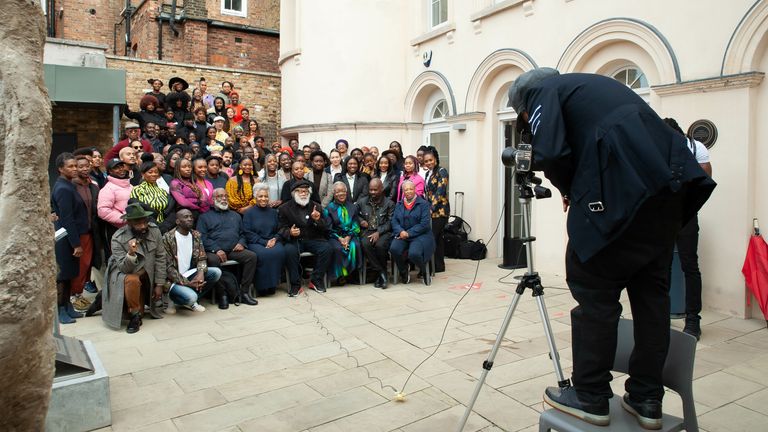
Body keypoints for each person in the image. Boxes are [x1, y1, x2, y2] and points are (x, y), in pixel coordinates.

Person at [506, 68, 715, 428]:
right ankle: (647, 398)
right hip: (669, 197)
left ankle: (590, 395)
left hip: (623, 194)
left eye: (524, 118)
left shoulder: (544, 91)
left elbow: (552, 151)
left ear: (525, 105)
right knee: (652, 298)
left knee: (592, 288)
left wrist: (568, 187)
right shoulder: (593, 88)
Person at [663, 118, 713, 341]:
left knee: (689, 266)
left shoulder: (696, 147)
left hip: (686, 215)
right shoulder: (657, 146)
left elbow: (705, 181)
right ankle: (659, 315)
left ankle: (693, 320)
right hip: (661, 215)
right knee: (660, 267)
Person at [101, 203, 167, 333]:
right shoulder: (118, 238)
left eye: (145, 222)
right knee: (132, 281)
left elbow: (160, 257)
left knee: (147, 304)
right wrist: (130, 254)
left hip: (147, 273)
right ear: (129, 223)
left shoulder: (154, 231)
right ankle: (134, 316)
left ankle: (101, 299)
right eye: (138, 224)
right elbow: (123, 268)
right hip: (126, 274)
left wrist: (159, 284)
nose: (143, 226)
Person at [197, 189, 259, 305]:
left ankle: (244, 292)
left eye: (226, 195)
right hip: (214, 251)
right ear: (213, 199)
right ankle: (222, 294)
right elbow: (202, 238)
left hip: (233, 249)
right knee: (212, 260)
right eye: (220, 196)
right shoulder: (204, 217)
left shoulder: (235, 216)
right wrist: (216, 249)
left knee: (251, 256)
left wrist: (241, 243)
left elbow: (243, 233)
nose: (224, 198)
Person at [51, 153, 88, 324]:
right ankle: (60, 310)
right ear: (60, 169)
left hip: (72, 235)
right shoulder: (63, 188)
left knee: (70, 274)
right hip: (66, 238)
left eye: (75, 166)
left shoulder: (68, 185)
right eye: (70, 166)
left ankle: (67, 306)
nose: (74, 169)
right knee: (63, 275)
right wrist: (76, 244)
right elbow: (67, 218)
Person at [278, 180, 331, 296]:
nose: (303, 194)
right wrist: (290, 232)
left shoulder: (316, 206)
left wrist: (317, 220)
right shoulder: (284, 208)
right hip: (295, 240)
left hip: (313, 238)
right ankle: (295, 284)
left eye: (306, 191)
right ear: (294, 193)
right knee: (289, 251)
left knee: (326, 248)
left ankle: (316, 280)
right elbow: (281, 228)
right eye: (300, 191)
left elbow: (325, 227)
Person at [163, 209, 222, 311]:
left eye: (191, 217)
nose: (190, 219)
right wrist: (188, 283)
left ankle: (190, 300)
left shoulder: (196, 235)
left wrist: (201, 273)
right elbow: (168, 268)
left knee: (216, 272)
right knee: (191, 297)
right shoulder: (168, 238)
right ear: (177, 221)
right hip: (173, 280)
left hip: (190, 273)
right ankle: (172, 299)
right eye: (185, 217)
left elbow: (202, 257)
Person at [390, 180, 435, 285]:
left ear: (415, 190)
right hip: (402, 235)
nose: (408, 191)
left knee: (414, 253)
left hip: (420, 235)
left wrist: (408, 233)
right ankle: (404, 271)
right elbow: (394, 221)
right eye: (406, 189)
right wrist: (401, 231)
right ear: (403, 191)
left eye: (411, 189)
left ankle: (424, 272)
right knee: (394, 249)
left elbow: (424, 224)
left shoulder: (423, 204)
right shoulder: (399, 204)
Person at [243, 184, 285, 296]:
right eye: (260, 196)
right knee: (264, 254)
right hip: (256, 242)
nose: (264, 199)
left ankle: (273, 284)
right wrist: (264, 242)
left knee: (279, 252)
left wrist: (275, 239)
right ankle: (261, 286)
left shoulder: (273, 212)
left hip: (273, 240)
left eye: (266, 196)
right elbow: (247, 232)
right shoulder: (248, 213)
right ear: (255, 197)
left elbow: (279, 229)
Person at [357, 178, 394, 288]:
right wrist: (361, 220)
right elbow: (355, 214)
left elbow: (391, 222)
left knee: (380, 246)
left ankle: (380, 275)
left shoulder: (389, 203)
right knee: (365, 244)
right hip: (367, 231)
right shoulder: (362, 202)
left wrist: (379, 232)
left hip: (383, 231)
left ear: (381, 189)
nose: (372, 192)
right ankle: (381, 272)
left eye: (375, 190)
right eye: (371, 190)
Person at [325, 182, 362, 285]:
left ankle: (352, 274)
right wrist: (340, 238)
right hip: (334, 236)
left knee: (355, 245)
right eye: (338, 192)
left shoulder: (352, 207)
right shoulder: (329, 208)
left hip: (350, 235)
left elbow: (356, 226)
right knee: (337, 248)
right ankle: (339, 276)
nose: (341, 194)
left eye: (343, 191)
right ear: (334, 193)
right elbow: (328, 228)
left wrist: (348, 237)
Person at [422, 146, 449, 273]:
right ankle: (438, 266)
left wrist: (431, 207)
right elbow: (427, 193)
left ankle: (430, 267)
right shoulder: (428, 173)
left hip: (440, 211)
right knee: (438, 239)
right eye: (426, 161)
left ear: (436, 159)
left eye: (430, 160)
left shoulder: (442, 171)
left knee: (432, 237)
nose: (428, 163)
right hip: (430, 211)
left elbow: (440, 191)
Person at [130, 157, 173, 230]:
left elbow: (168, 210)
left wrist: (165, 225)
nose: (154, 174)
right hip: (147, 227)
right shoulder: (137, 189)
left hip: (165, 227)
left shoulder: (162, 191)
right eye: (150, 172)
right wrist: (155, 225)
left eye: (156, 172)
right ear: (143, 174)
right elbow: (138, 210)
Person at [98, 158, 133, 246]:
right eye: (116, 168)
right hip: (117, 229)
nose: (121, 169)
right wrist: (124, 218)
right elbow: (103, 210)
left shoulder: (130, 185)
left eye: (121, 166)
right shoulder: (108, 189)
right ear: (110, 171)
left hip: (133, 226)